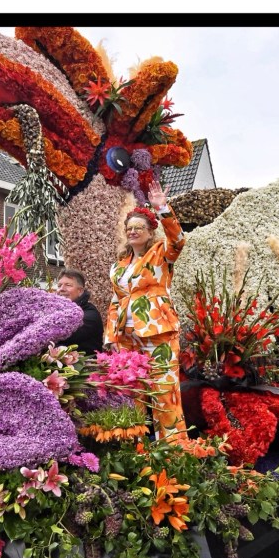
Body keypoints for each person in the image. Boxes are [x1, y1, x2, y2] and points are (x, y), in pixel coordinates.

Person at [104, 182, 187, 439]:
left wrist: (161, 207)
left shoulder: (162, 254)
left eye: (139, 227)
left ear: (151, 232)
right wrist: (110, 337)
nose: (133, 231)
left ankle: (173, 452)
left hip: (158, 333)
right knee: (132, 393)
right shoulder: (119, 265)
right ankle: (136, 449)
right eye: (129, 229)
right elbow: (116, 301)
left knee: (164, 392)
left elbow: (179, 238)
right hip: (128, 338)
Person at [55, 269, 104, 356]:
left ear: (80, 291)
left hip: (85, 367)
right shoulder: (55, 311)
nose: (62, 289)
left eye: (68, 285)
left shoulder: (89, 315)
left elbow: (61, 335)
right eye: (59, 285)